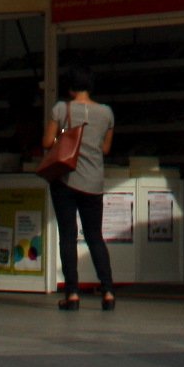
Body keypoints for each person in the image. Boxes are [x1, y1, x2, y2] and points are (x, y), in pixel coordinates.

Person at [43, 69, 118, 311]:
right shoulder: (106, 113)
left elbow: (46, 142)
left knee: (68, 235)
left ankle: (72, 294)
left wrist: (63, 138)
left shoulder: (60, 109)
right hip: (94, 181)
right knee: (95, 236)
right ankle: (107, 291)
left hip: (65, 179)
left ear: (70, 89)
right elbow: (106, 148)